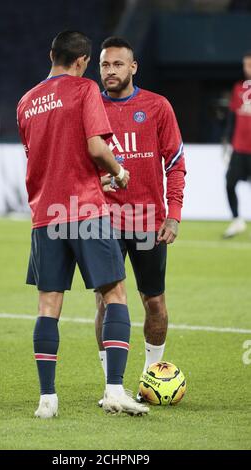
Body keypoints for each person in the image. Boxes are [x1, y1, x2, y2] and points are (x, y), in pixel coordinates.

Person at [17, 31, 149, 418]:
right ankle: (114, 391)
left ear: (51, 55)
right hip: (86, 212)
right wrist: (118, 171)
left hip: (45, 216)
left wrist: (93, 177)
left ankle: (47, 401)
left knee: (48, 305)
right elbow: (94, 147)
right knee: (115, 296)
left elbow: (47, 158)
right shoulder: (83, 89)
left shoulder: (26, 102)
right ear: (82, 61)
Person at [94, 37, 186, 402]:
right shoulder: (90, 106)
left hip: (148, 221)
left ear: (133, 67)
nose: (110, 71)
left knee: (155, 303)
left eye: (118, 64)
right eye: (105, 65)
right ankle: (110, 386)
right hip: (101, 221)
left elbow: (175, 164)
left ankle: (151, 376)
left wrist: (174, 214)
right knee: (105, 302)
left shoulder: (157, 107)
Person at [223, 51, 251, 238]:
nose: (247, 69)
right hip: (240, 147)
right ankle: (237, 220)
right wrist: (226, 140)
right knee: (230, 182)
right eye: (245, 65)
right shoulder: (238, 88)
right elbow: (232, 117)